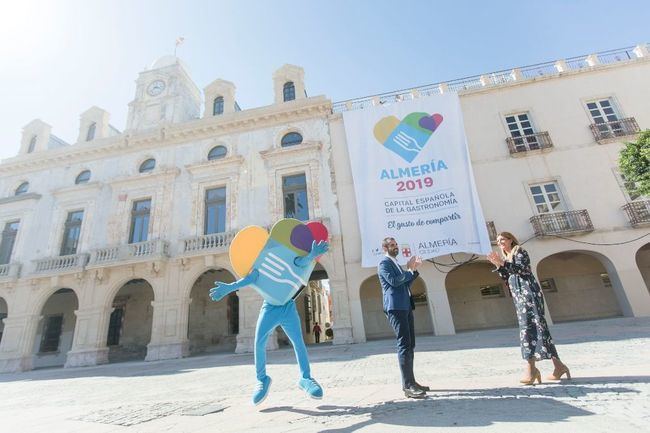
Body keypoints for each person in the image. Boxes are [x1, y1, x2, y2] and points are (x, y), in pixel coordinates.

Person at [487, 231, 571, 385]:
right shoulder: (506, 257)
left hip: (529, 292)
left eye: (503, 239)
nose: (500, 243)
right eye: (498, 241)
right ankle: (558, 366)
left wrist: (503, 263)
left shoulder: (520, 251)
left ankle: (531, 368)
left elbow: (522, 270)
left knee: (530, 327)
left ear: (511, 240)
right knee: (536, 328)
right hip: (519, 294)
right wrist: (499, 265)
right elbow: (508, 277)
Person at [378, 237, 430, 399]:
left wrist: (412, 270)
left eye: (396, 245)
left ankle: (412, 382)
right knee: (404, 344)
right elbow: (394, 282)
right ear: (385, 248)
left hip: (405, 306)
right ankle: (407, 386)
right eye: (392, 245)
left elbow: (404, 284)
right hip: (395, 307)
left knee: (410, 344)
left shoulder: (396, 264)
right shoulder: (384, 264)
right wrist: (408, 270)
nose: (395, 247)